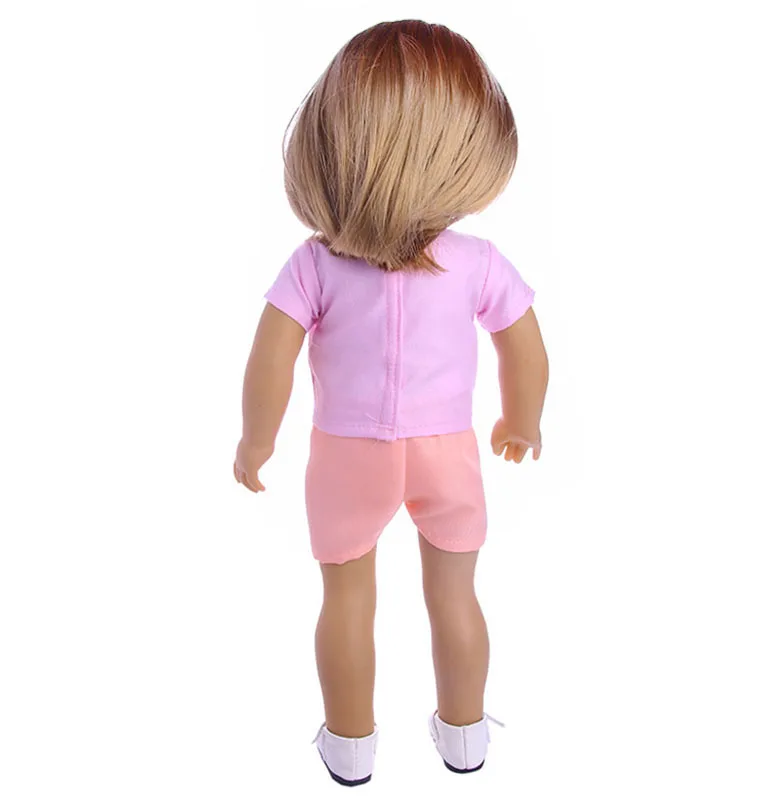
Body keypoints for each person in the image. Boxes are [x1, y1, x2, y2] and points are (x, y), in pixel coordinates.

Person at [234, 19, 548, 786]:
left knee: (346, 599)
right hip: (448, 451)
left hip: (348, 453)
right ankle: (465, 736)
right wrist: (522, 419)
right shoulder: (477, 263)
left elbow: (271, 358)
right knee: (455, 595)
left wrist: (256, 440)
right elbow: (524, 347)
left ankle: (350, 748)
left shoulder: (314, 265)